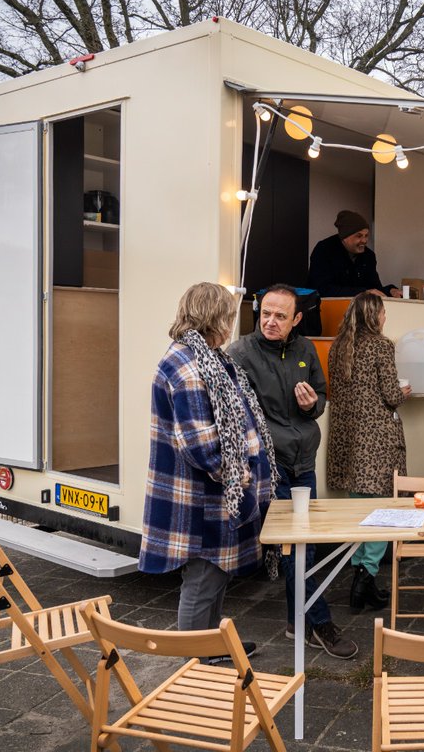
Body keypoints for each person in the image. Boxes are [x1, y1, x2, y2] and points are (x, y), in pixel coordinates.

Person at [139, 282, 274, 661]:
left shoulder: (206, 357)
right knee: (202, 578)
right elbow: (199, 444)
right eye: (229, 317)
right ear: (214, 318)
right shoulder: (186, 366)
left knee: (217, 573)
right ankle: (196, 659)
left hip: (213, 496)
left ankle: (214, 643)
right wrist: (237, 474)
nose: (232, 326)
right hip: (199, 498)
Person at [228, 283, 357, 660]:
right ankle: (320, 624)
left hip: (304, 462)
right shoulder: (240, 354)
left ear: (297, 319)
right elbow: (240, 416)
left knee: (306, 544)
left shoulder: (304, 349)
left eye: (280, 316)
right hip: (272, 465)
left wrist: (312, 404)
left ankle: (293, 622)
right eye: (265, 313)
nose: (270, 321)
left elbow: (319, 399)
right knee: (295, 548)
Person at [326, 291, 409, 610]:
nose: (386, 317)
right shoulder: (381, 345)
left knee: (360, 510)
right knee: (382, 511)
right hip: (376, 438)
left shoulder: (338, 346)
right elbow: (390, 395)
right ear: (375, 316)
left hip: (348, 437)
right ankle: (366, 579)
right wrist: (403, 392)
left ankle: (362, 578)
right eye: (384, 312)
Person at [306, 210, 401, 297]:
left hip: (358, 311)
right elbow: (322, 289)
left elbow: (374, 288)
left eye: (366, 235)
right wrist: (363, 292)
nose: (364, 240)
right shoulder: (324, 250)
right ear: (344, 237)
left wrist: (390, 291)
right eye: (359, 236)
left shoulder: (368, 256)